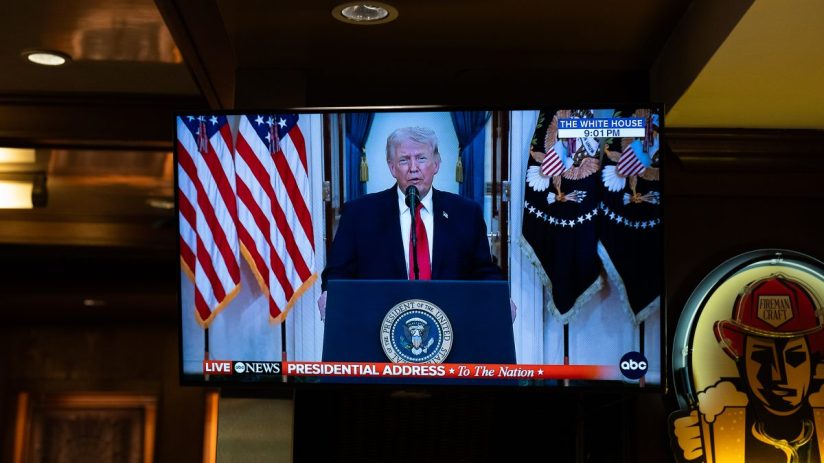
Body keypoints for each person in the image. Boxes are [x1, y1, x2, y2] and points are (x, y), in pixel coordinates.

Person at [318, 126, 506, 319]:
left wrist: (499, 296)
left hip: (451, 325)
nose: (413, 168)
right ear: (392, 167)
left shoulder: (466, 213)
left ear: (436, 164)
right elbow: (338, 272)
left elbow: (483, 271)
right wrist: (331, 294)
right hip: (378, 326)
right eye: (404, 160)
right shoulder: (359, 214)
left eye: (421, 158)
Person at [671, 273, 824, 463]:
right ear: (740, 361)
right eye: (762, 357)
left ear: (814, 360)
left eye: (795, 357)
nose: (779, 375)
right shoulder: (719, 417)